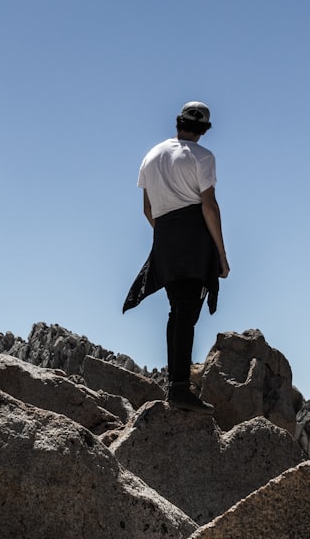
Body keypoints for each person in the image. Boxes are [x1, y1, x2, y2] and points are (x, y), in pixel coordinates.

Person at [124, 101, 230, 414]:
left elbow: (147, 209)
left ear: (177, 122)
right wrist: (221, 255)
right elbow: (209, 206)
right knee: (187, 313)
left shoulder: (151, 155)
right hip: (195, 240)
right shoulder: (203, 157)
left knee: (176, 311)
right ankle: (180, 390)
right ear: (204, 130)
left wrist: (168, 235)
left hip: (165, 238)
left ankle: (177, 384)